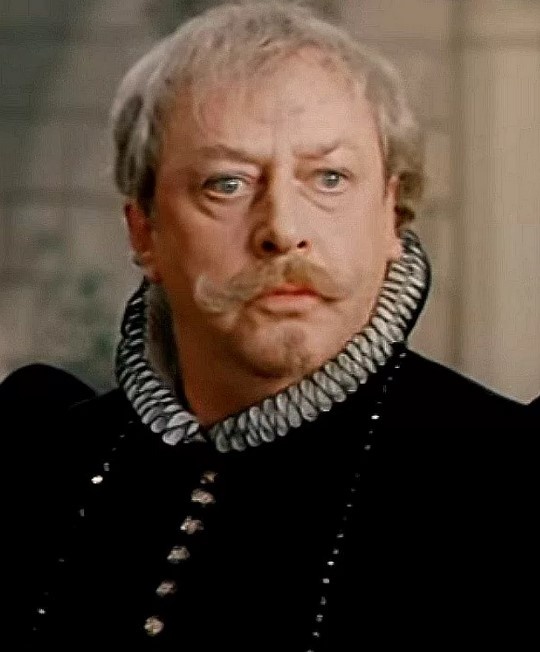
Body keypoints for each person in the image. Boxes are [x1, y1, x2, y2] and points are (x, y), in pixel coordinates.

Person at [2, 2, 535, 650]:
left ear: (392, 215)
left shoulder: (507, 478)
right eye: (226, 184)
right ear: (144, 230)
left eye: (329, 178)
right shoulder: (38, 462)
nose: (282, 229)